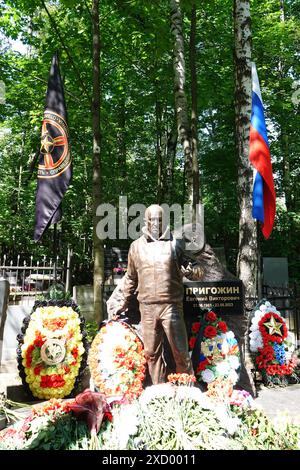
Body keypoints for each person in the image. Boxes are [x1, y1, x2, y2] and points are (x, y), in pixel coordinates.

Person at [115, 204, 204, 384]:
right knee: (151, 353)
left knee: (180, 351)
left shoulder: (176, 243)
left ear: (165, 221)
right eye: (152, 219)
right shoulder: (136, 247)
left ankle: (187, 391)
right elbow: (131, 278)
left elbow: (198, 269)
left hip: (171, 306)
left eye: (159, 219)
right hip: (147, 307)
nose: (156, 223)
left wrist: (191, 272)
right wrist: (123, 302)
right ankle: (158, 391)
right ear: (146, 221)